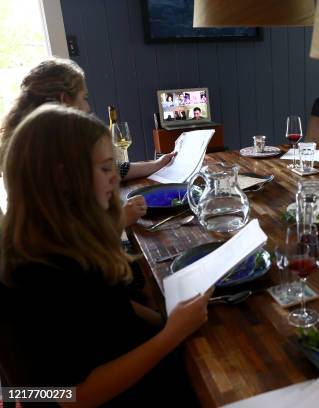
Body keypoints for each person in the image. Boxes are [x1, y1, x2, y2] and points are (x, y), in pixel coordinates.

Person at [0, 104, 210, 406]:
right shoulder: (38, 272)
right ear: (63, 178)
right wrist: (171, 334)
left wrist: (166, 318)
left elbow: (109, 308)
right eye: (104, 168)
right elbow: (72, 397)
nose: (115, 178)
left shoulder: (62, 237)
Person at [0, 58, 177, 225]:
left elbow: (108, 169)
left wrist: (156, 164)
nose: (88, 107)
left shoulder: (29, 140)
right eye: (84, 97)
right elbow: (68, 233)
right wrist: (122, 218)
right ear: (65, 100)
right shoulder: (43, 155)